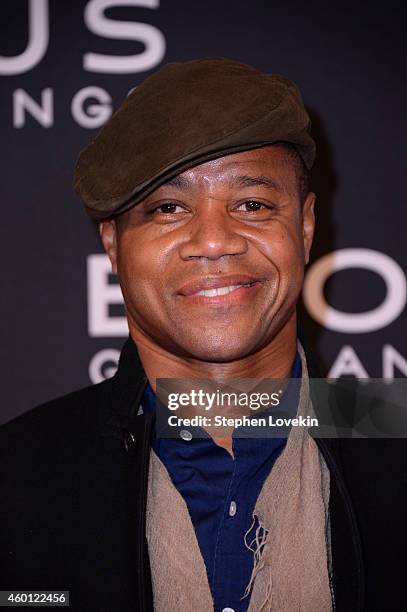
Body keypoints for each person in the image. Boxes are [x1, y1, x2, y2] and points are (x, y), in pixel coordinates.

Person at [0, 58, 405, 612]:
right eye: (168, 208)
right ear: (114, 245)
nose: (214, 241)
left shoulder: (393, 431)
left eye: (252, 204)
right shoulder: (18, 474)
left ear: (305, 228)